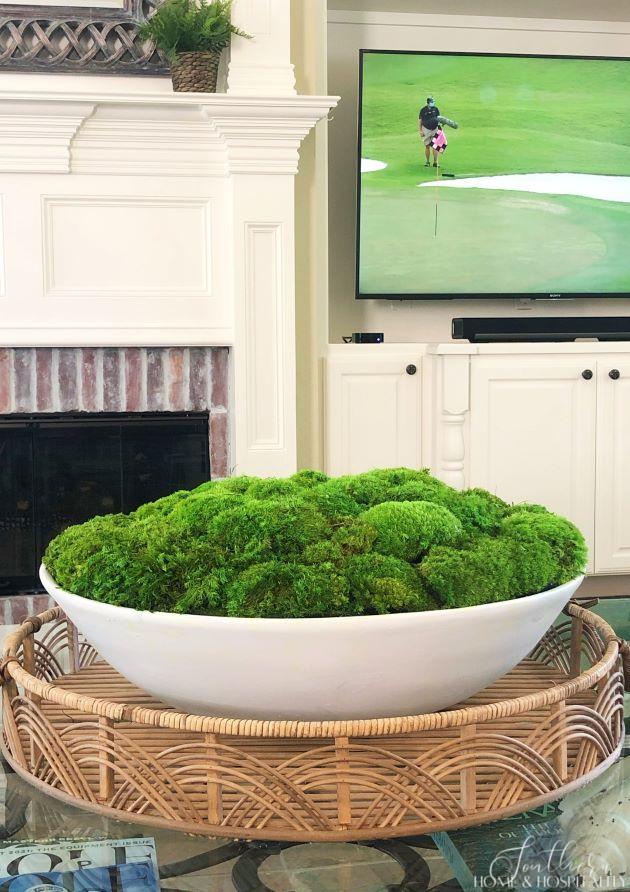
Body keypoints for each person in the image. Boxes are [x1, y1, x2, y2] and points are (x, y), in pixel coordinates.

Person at [419, 96, 441, 167]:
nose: (433, 103)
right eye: (432, 102)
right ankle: (427, 162)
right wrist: (420, 130)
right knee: (427, 146)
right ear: (428, 103)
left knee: (435, 146)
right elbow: (420, 120)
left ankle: (435, 162)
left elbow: (439, 118)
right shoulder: (423, 110)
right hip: (426, 129)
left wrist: (440, 126)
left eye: (433, 102)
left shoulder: (436, 109)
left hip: (435, 129)